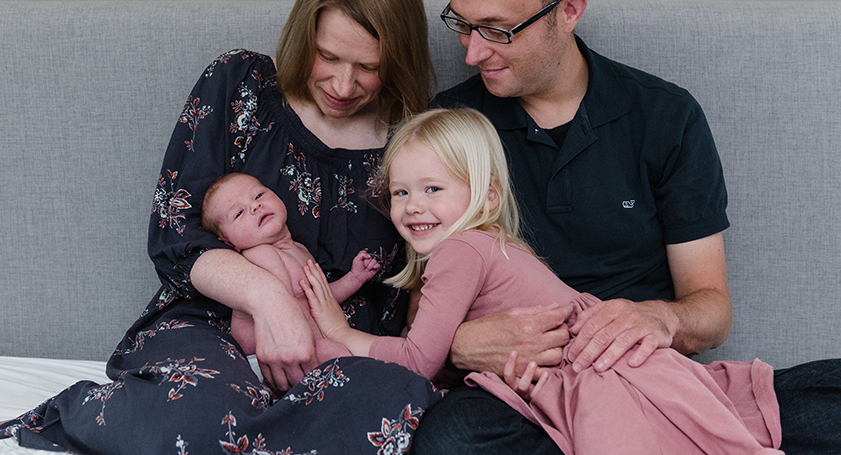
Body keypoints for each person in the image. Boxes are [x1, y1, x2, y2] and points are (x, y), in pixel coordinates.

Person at [413, 0, 841, 455]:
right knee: (451, 441)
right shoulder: (449, 127)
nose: (471, 52)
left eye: (496, 29)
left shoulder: (664, 116)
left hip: (651, 377)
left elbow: (711, 307)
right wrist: (461, 344)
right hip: (522, 393)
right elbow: (416, 308)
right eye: (462, 24)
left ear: (569, 10)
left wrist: (659, 320)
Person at [0, 0, 442, 454]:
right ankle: (86, 413)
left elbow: (444, 266)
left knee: (402, 415)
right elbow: (175, 232)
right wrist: (270, 300)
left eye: (368, 67)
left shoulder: (419, 138)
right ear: (305, 34)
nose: (343, 84)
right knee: (203, 416)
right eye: (328, 56)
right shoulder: (240, 84)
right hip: (217, 326)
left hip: (343, 349)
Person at [301, 107, 783, 454]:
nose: (413, 206)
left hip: (596, 367)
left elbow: (417, 359)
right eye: (400, 192)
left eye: (433, 188)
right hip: (593, 365)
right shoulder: (489, 244)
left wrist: (340, 335)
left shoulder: (459, 251)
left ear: (488, 198)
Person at [199, 171, 380, 360]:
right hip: (270, 356)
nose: (255, 206)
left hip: (303, 344)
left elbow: (320, 301)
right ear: (229, 242)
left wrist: (354, 278)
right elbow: (284, 312)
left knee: (349, 349)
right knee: (341, 352)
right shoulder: (259, 255)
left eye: (259, 195)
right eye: (239, 213)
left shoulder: (298, 249)